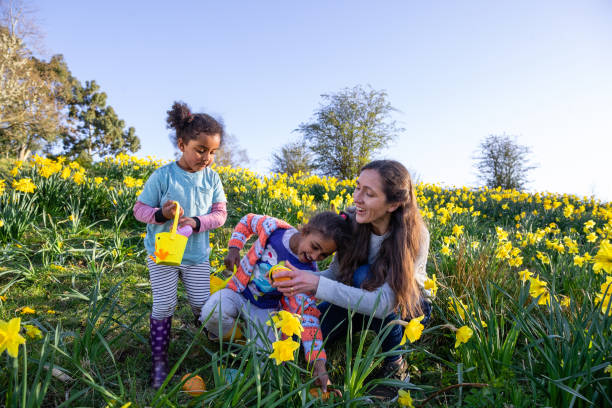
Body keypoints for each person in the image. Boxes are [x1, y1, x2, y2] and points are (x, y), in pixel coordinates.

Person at [272, 160, 430, 400]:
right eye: (358, 188)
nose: (358, 198)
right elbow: (334, 276)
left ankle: (395, 365)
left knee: (363, 276)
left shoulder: (413, 235)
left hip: (406, 309)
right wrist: (298, 278)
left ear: (394, 204)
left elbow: (384, 304)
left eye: (369, 194)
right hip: (357, 299)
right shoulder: (353, 222)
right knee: (297, 343)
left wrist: (315, 285)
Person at [201, 212, 352, 392]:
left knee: (268, 361)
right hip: (239, 291)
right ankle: (238, 338)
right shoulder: (274, 229)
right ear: (306, 231)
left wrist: (318, 364)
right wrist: (234, 247)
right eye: (315, 246)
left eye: (323, 255)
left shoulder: (306, 272)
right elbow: (247, 220)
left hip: (266, 310)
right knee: (210, 314)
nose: (315, 255)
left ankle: (244, 356)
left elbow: (308, 317)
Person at [133, 101, 227, 389]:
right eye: (201, 150)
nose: (207, 157)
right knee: (164, 305)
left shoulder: (212, 178)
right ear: (182, 143)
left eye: (212, 152)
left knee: (202, 305)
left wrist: (196, 223)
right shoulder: (162, 176)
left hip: (196, 255)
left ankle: (214, 352)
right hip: (162, 254)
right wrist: (162, 214)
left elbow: (220, 215)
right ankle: (159, 364)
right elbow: (139, 210)